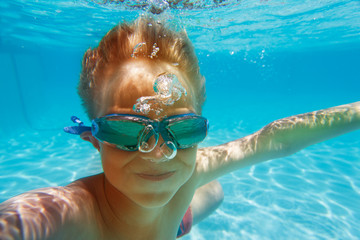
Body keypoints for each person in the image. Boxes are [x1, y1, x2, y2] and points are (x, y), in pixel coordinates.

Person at [0, 16, 359, 240]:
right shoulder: (73, 213)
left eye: (183, 130)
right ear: (95, 140)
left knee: (214, 193)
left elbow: (272, 140)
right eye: (127, 131)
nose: (158, 152)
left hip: (173, 220)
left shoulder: (191, 168)